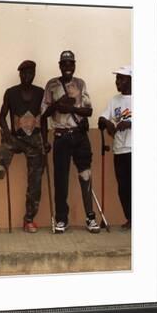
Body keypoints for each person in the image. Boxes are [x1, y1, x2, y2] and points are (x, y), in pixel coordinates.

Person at [41, 50, 100, 234]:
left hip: (80, 135)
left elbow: (89, 111)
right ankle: (61, 219)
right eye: (64, 64)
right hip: (61, 136)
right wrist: (58, 105)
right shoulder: (51, 85)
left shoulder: (80, 84)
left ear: (74, 65)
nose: (68, 67)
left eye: (71, 64)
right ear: (60, 65)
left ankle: (90, 217)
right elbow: (43, 114)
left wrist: (68, 107)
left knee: (85, 175)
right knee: (61, 180)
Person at [0, 60, 45, 233]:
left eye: (30, 73)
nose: (26, 76)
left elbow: (45, 119)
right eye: (23, 73)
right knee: (5, 144)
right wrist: (6, 130)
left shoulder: (40, 93)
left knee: (35, 182)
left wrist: (46, 140)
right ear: (19, 74)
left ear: (34, 74)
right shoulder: (11, 92)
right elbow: (2, 117)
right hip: (16, 137)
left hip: (35, 139)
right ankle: (1, 164)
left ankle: (29, 219)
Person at [98, 65, 132, 230]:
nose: (117, 81)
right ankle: (130, 218)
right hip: (119, 150)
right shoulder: (114, 100)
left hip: (134, 150)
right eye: (117, 78)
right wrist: (107, 122)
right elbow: (103, 116)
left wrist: (131, 122)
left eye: (121, 78)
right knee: (123, 187)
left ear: (131, 80)